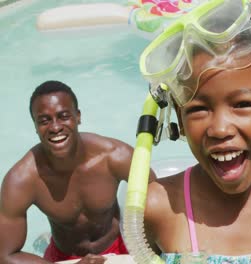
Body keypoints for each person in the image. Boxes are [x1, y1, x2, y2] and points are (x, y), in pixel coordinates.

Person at [138, 0, 251, 263]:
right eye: (199, 109)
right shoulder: (160, 207)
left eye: (242, 104)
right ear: (180, 117)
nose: (220, 129)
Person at [0, 80, 156, 263]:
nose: (55, 127)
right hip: (63, 257)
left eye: (63, 116)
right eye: (44, 121)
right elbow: (5, 255)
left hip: (122, 246)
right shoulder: (22, 179)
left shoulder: (114, 156)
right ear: (35, 126)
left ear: (78, 117)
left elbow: (159, 205)